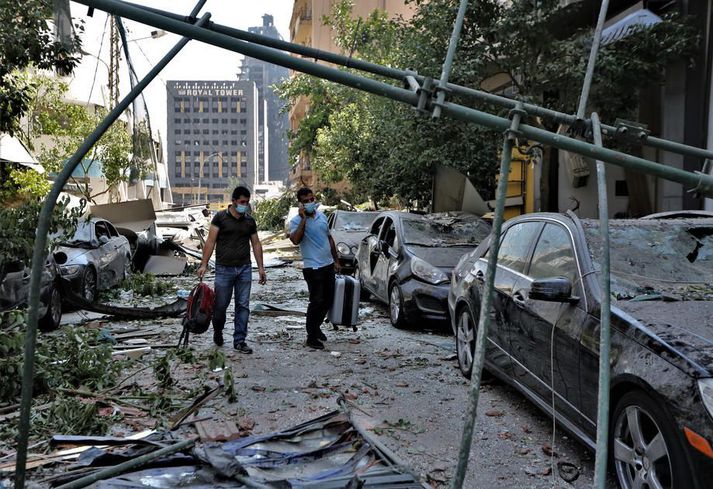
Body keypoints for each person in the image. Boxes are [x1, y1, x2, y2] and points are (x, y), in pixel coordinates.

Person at [198, 186, 266, 353]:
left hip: (244, 268)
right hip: (224, 269)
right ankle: (218, 330)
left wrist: (261, 268)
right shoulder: (220, 218)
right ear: (234, 201)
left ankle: (240, 340)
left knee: (243, 305)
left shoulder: (249, 221)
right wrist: (204, 264)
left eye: (247, 202)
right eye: (242, 202)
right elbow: (210, 241)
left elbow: (256, 244)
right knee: (220, 305)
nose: (245, 205)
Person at [289, 187, 341, 350]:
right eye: (306, 201)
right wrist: (303, 219)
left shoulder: (322, 217)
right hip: (313, 267)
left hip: (327, 265)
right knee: (316, 301)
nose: (311, 203)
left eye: (312, 199)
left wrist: (336, 260)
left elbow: (329, 239)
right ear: (300, 204)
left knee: (327, 300)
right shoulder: (296, 221)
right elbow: (295, 240)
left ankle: (316, 327)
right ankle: (311, 336)